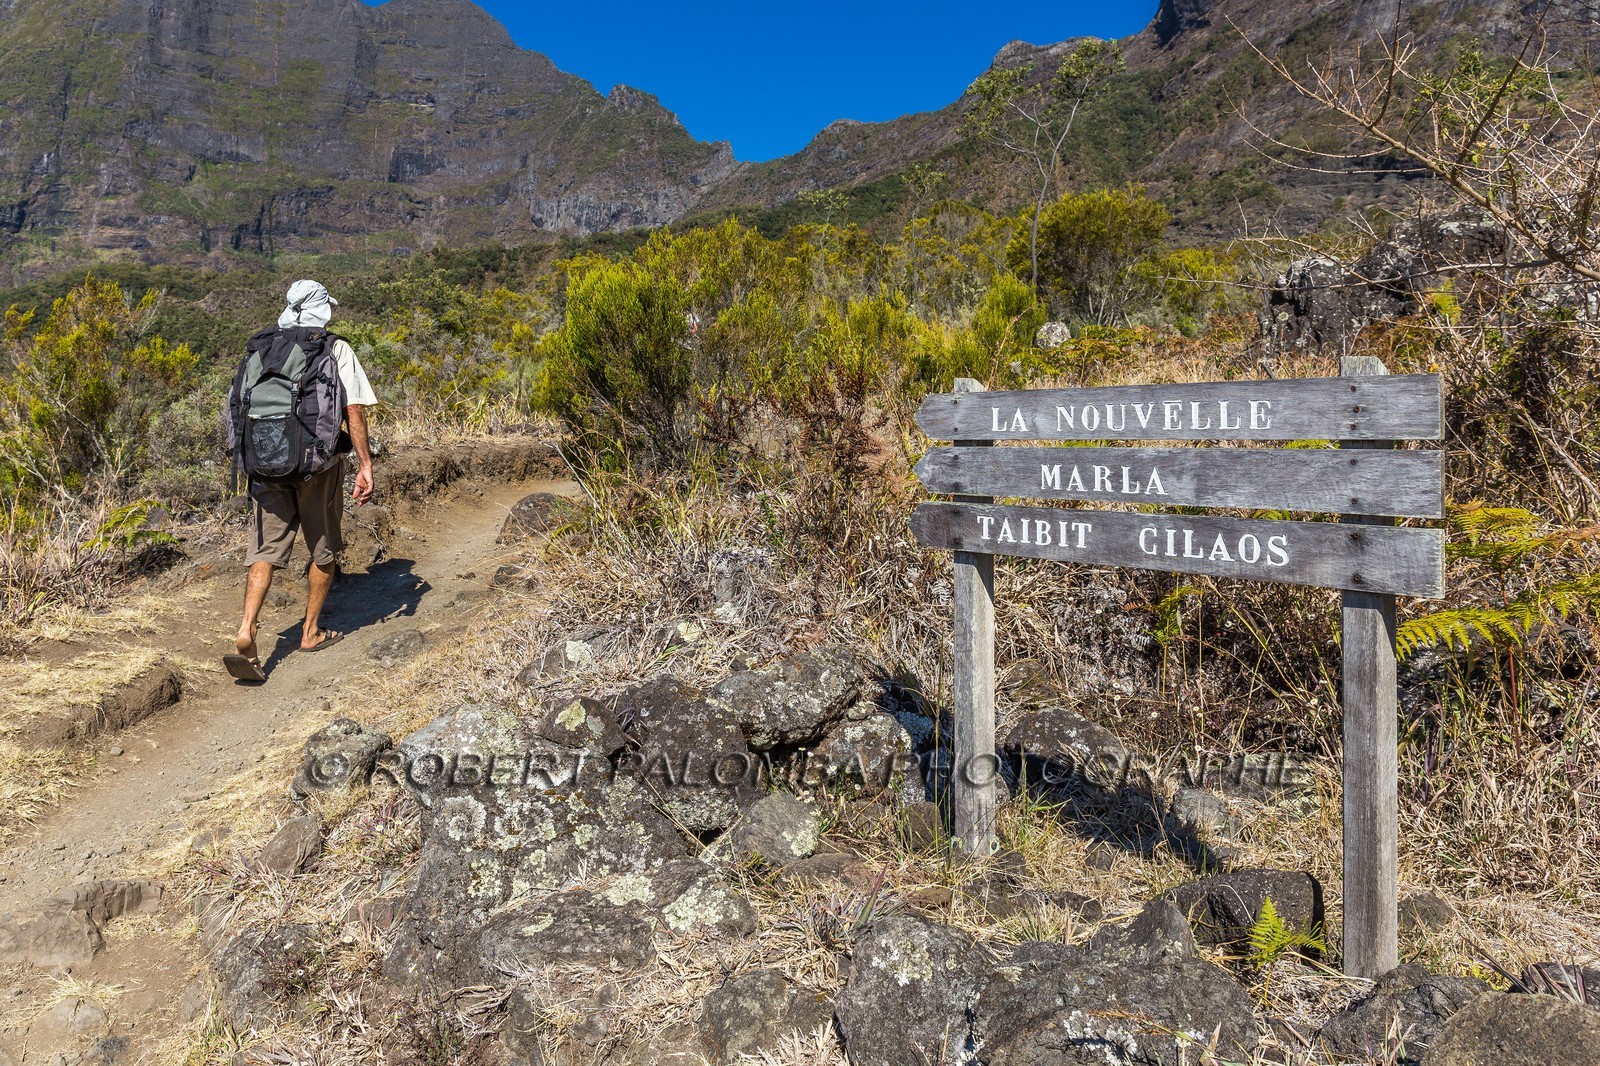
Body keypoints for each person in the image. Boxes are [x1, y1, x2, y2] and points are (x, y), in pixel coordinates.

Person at [227, 280, 377, 681]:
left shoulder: (261, 348)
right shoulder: (333, 348)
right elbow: (353, 410)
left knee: (264, 551)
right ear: (322, 309)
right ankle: (310, 632)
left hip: (265, 463)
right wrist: (365, 464)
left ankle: (246, 628)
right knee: (323, 548)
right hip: (316, 467)